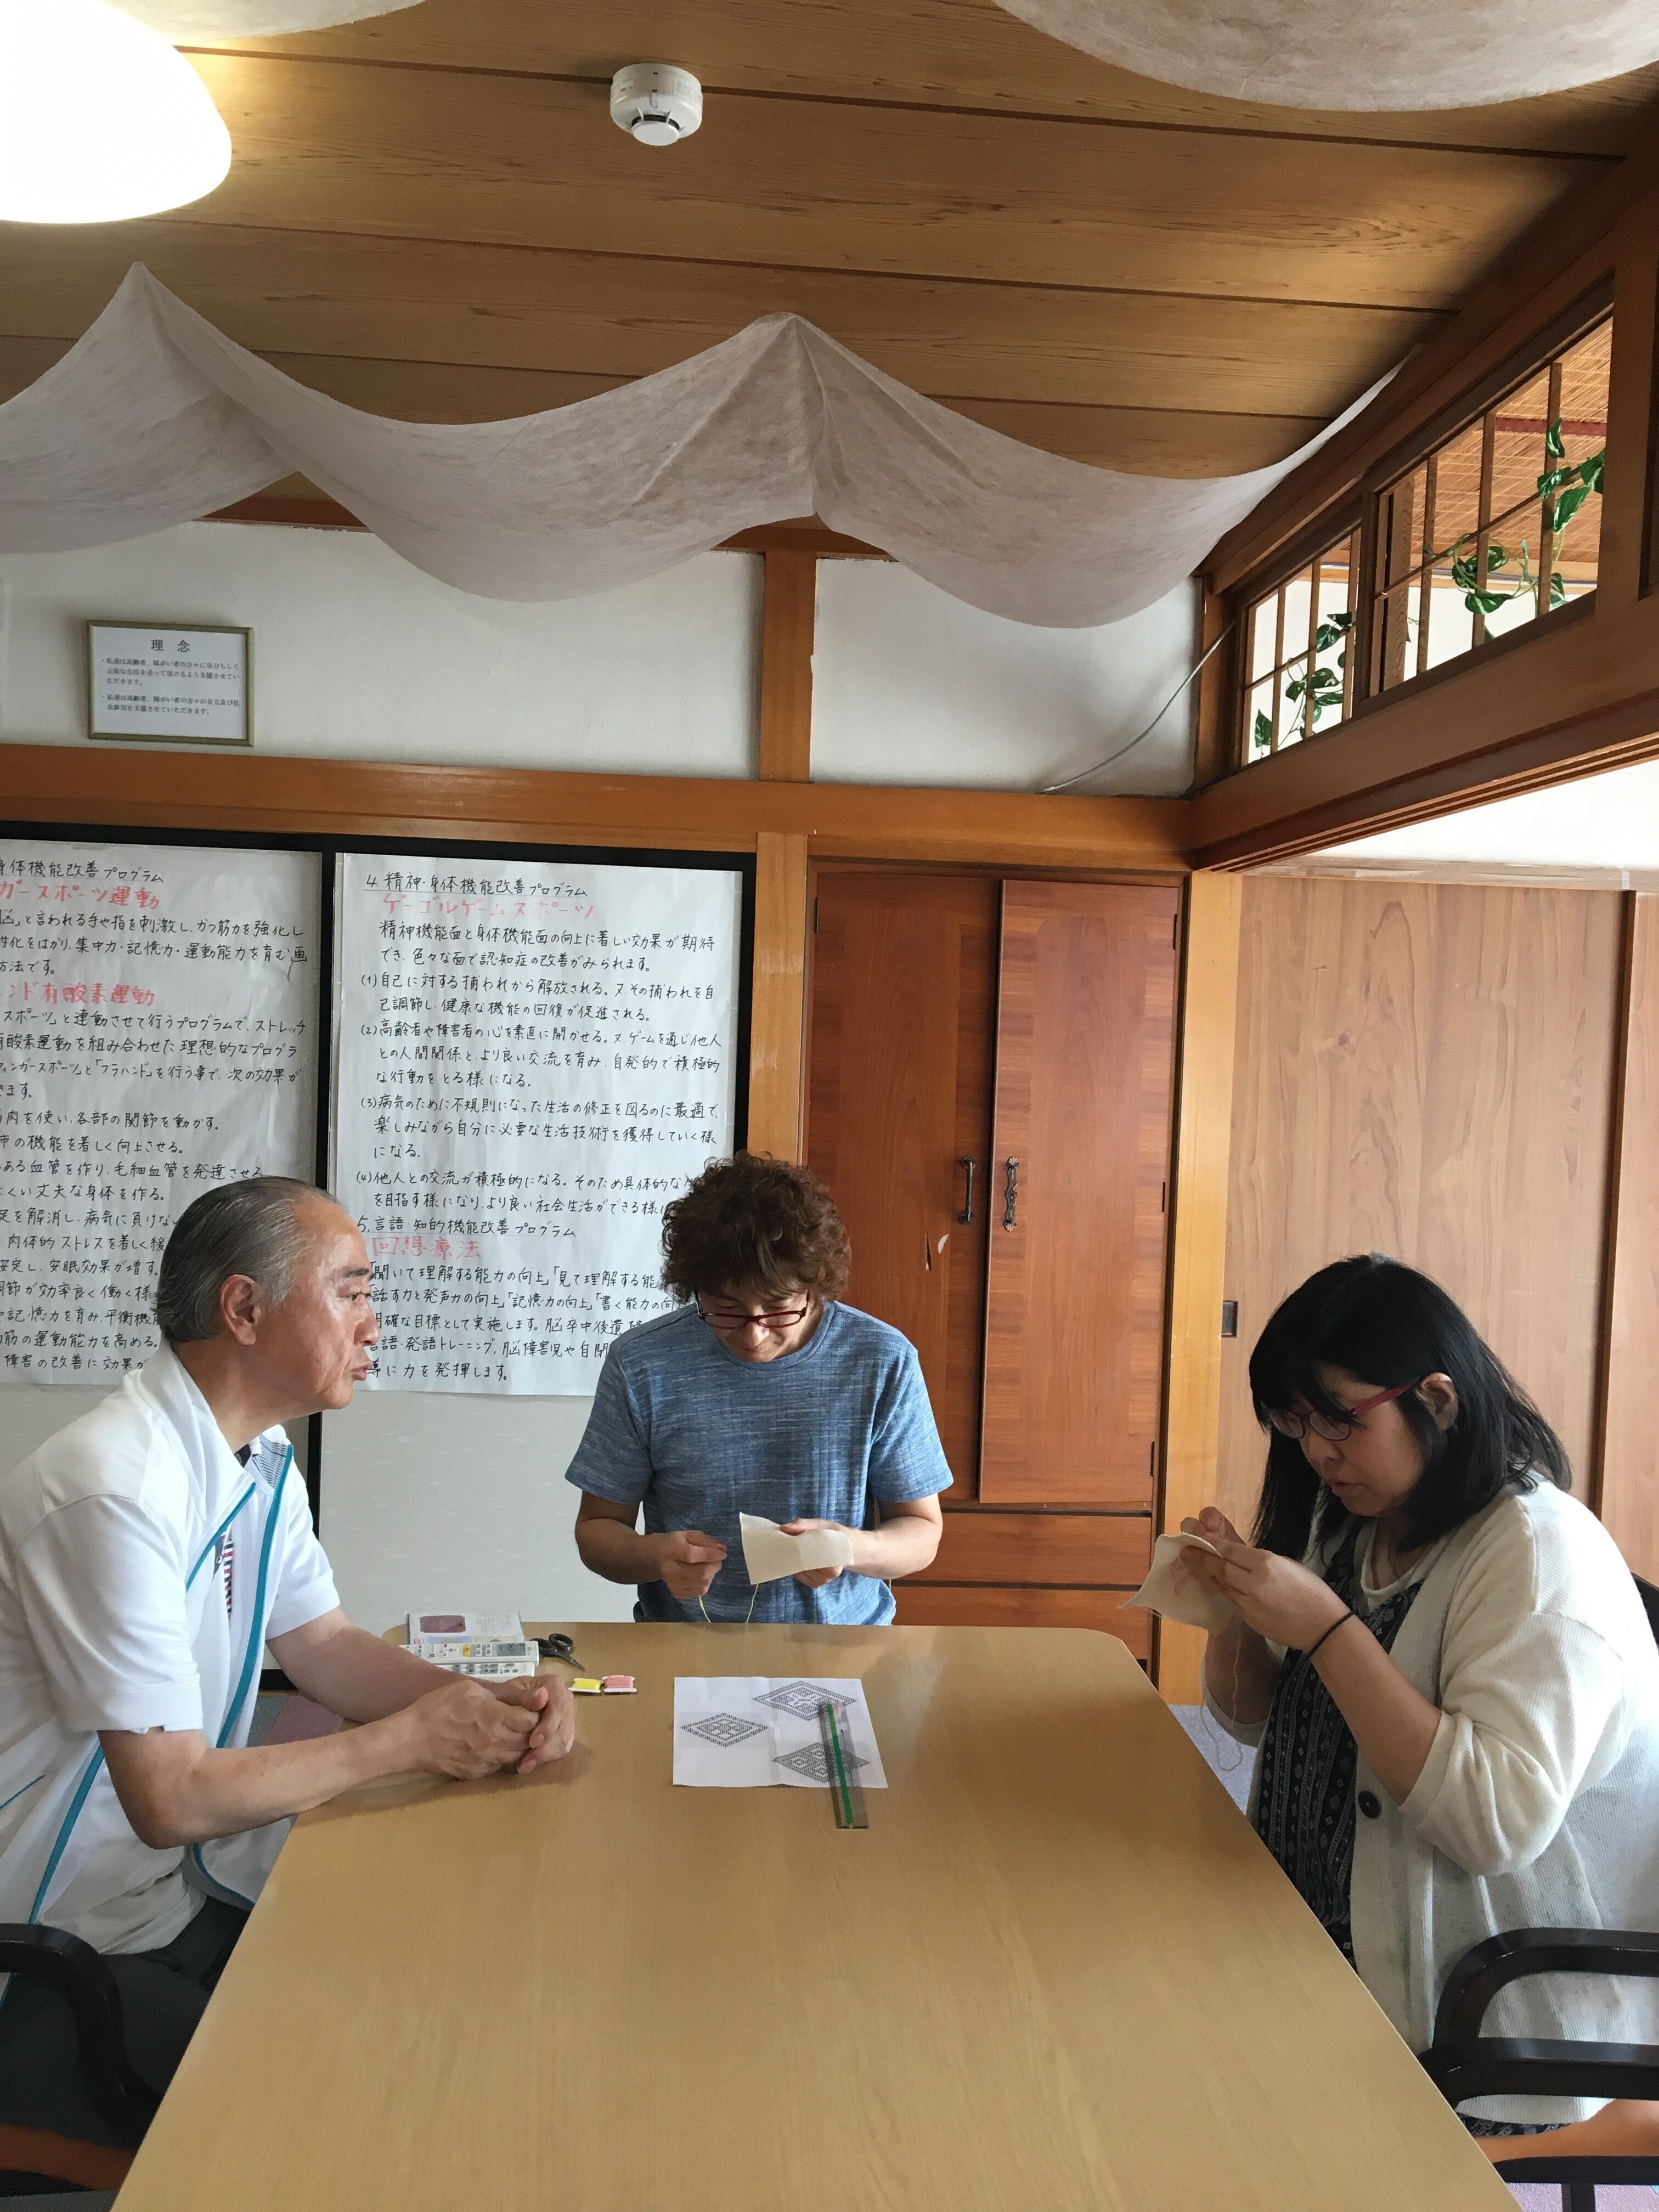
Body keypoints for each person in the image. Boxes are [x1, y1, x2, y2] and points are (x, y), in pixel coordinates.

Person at [0, 1176, 574, 2146]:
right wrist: (408, 1740)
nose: (372, 1323)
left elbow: (325, 1648)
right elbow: (170, 1797)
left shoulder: (257, 1460)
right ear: (244, 1308)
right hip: (54, 1947)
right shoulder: (113, 1489)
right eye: (350, 1291)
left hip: (165, 1894)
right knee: (357, 2096)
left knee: (426, 1987)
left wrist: (489, 1701)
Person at [1185, 1254, 1659, 2142]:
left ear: (1436, 1401)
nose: (1315, 1449)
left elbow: (1492, 1824)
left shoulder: (1536, 1555)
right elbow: (1248, 1720)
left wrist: (1328, 1630)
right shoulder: (1351, 1517)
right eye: (1294, 1420)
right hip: (1316, 1935)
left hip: (1482, 2002)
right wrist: (1232, 1612)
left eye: (1338, 1418)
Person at [569, 1153, 949, 1623]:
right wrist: (654, 1556)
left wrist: (851, 1548)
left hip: (845, 1642)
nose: (754, 1334)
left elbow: (922, 1533)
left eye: (778, 1308)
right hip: (684, 1641)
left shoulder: (880, 1360)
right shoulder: (643, 1364)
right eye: (726, 1309)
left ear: (815, 1287)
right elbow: (597, 1529)